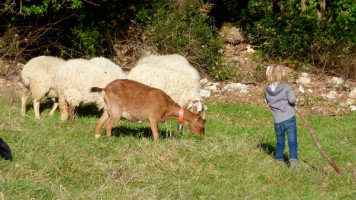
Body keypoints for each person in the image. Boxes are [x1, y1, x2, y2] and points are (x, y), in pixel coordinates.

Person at [264, 64, 298, 170]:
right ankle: (293, 164)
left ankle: (278, 161)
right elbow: (292, 100)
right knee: (292, 141)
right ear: (283, 74)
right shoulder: (286, 86)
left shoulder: (267, 90)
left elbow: (269, 101)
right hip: (289, 118)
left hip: (277, 120)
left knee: (280, 142)